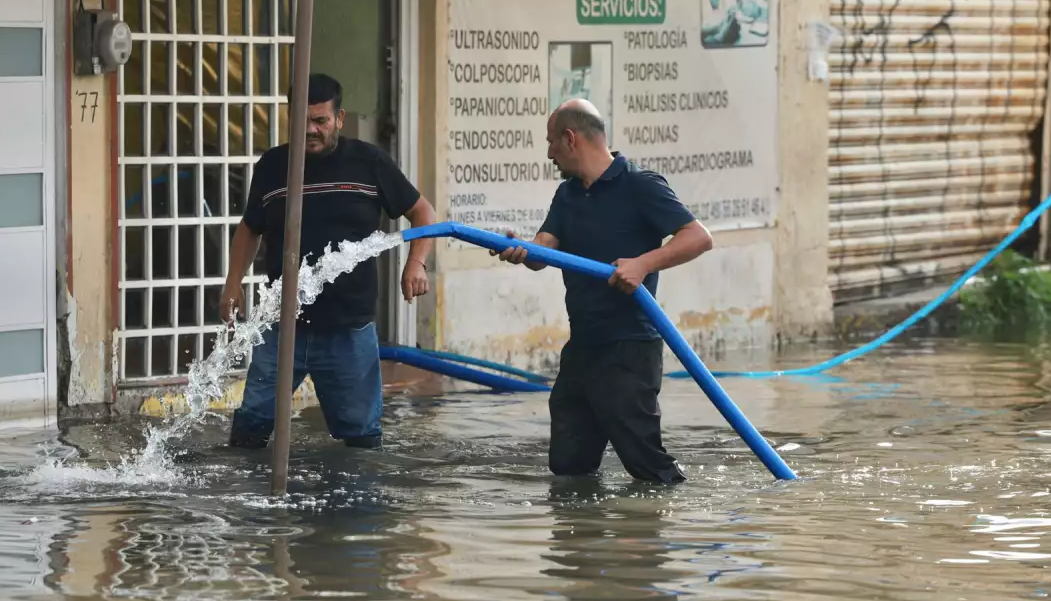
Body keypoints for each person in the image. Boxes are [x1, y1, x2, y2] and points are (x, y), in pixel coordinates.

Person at [491, 99, 713, 484]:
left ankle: (662, 517)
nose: (549, 153)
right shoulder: (567, 194)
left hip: (629, 348)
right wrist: (519, 249)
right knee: (568, 465)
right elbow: (543, 251)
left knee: (647, 467)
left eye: (551, 142)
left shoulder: (640, 185)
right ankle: (580, 525)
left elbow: (698, 237)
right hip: (582, 347)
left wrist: (643, 264)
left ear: (570, 138)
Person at [220, 73, 436, 450]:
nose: (311, 130)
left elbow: (423, 212)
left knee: (360, 439)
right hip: (283, 326)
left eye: (320, 120)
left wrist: (416, 262)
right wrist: (233, 281)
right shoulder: (273, 166)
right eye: (302, 120)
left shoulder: (368, 163)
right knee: (249, 429)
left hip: (348, 330)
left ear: (340, 118)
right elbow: (250, 228)